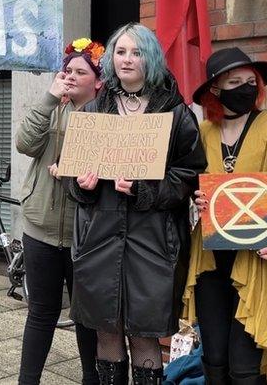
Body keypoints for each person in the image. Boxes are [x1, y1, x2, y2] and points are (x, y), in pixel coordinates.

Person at [67, 23, 207, 385]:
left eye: (137, 52)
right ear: (111, 58)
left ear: (152, 58)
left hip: (153, 240)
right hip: (99, 239)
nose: (127, 59)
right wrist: (83, 185)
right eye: (121, 51)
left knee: (145, 336)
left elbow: (190, 174)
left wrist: (145, 188)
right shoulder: (94, 109)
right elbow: (73, 178)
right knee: (106, 333)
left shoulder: (175, 112)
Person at [182, 47, 267, 385]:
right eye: (234, 82)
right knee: (214, 361)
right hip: (211, 263)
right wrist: (195, 203)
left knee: (245, 368)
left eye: (249, 81)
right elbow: (186, 187)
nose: (245, 88)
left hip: (257, 265)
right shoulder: (202, 132)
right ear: (215, 90)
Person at [16, 38, 104, 385]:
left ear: (97, 81)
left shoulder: (107, 114)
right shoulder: (52, 106)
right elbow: (25, 143)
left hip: (87, 233)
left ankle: (90, 378)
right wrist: (50, 97)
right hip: (41, 228)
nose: (69, 76)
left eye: (79, 71)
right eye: (67, 70)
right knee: (41, 313)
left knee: (86, 317)